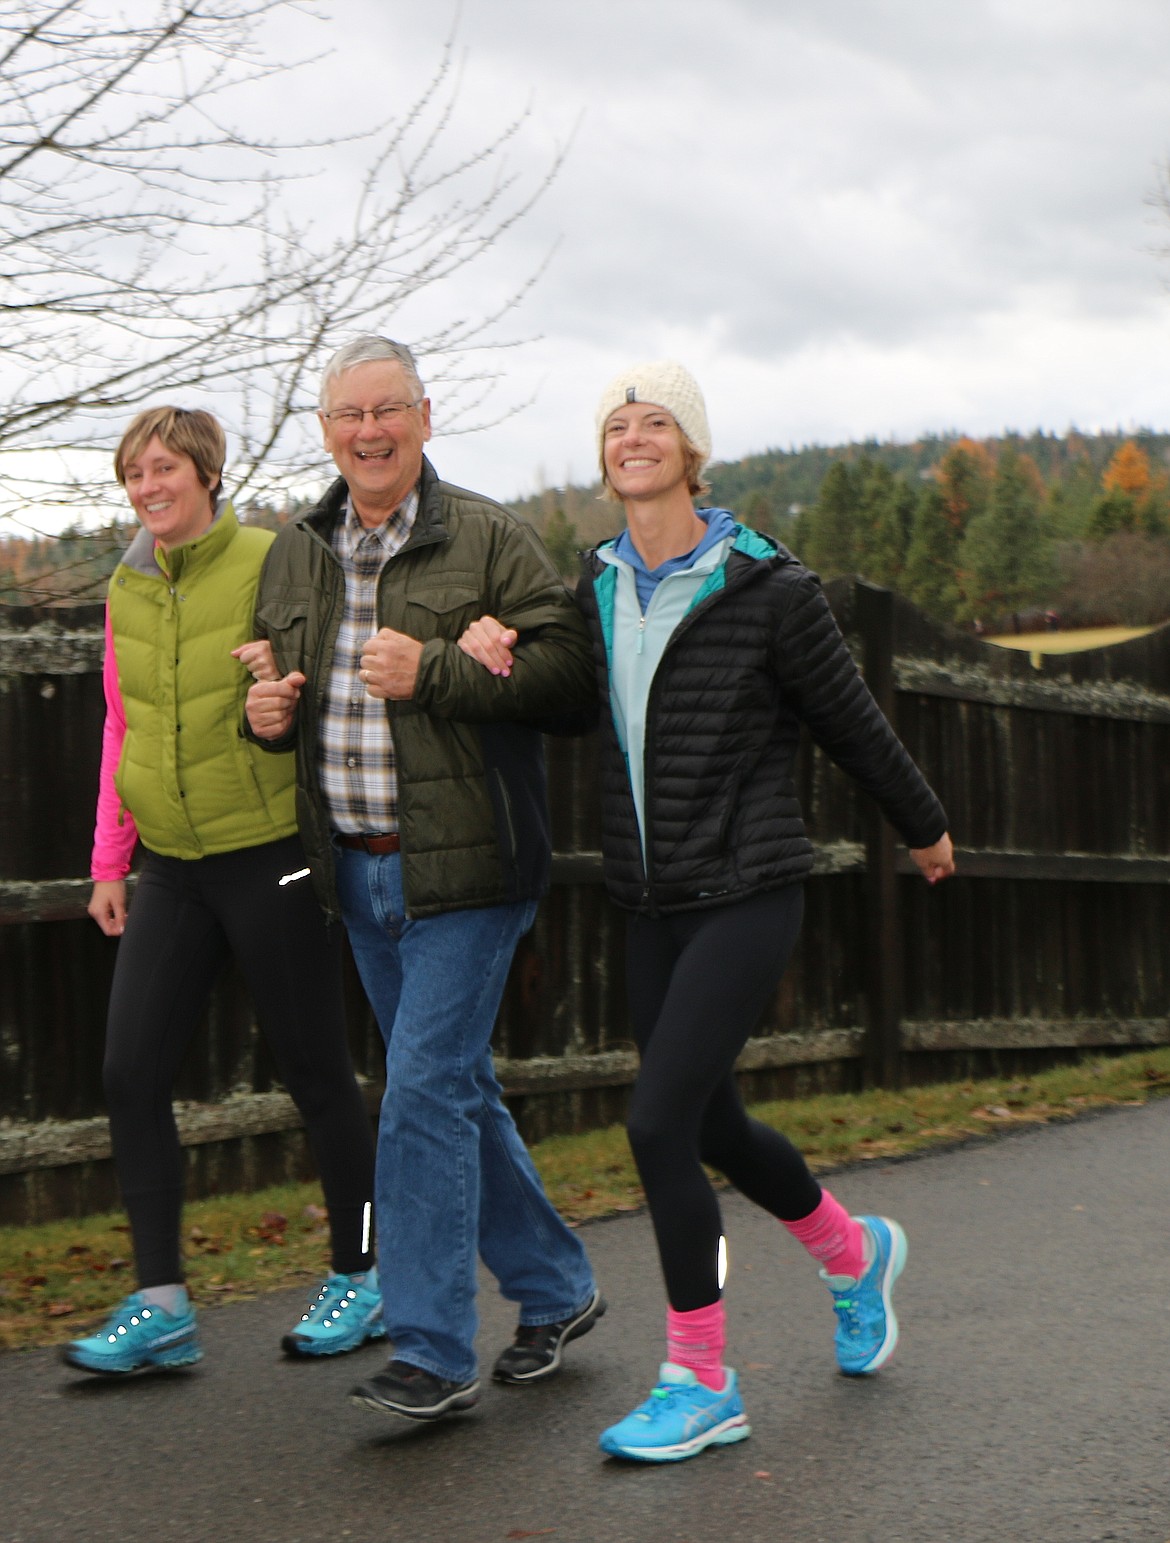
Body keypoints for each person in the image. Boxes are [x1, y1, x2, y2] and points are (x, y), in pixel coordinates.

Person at [458, 360, 955, 1464]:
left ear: (692, 449)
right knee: (713, 1123)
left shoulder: (768, 588)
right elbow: (573, 704)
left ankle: (701, 1376)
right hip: (648, 899)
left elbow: (852, 721)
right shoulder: (593, 585)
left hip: (749, 887)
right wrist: (496, 657)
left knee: (654, 1123)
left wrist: (923, 824)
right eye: (616, 423)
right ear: (605, 455)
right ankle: (852, 1249)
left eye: (656, 421)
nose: (633, 436)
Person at [243, 336, 604, 1424]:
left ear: (425, 417)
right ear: (326, 430)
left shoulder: (490, 536)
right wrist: (263, 718)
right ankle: (558, 1288)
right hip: (355, 875)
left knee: (420, 1098)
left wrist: (438, 668)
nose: (368, 430)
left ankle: (433, 1347)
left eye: (387, 409)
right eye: (347, 413)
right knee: (456, 1093)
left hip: (474, 872)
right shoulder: (296, 551)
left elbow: (573, 682)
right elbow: (281, 688)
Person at [64, 407, 381, 1377]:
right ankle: (161, 1303)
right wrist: (110, 857)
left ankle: (364, 1274)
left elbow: (325, 677)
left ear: (205, 471)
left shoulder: (271, 557)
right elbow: (122, 722)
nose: (147, 487)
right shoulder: (128, 581)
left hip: (266, 853)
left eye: (162, 468)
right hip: (169, 863)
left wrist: (274, 684)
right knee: (129, 1071)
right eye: (132, 475)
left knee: (317, 1070)